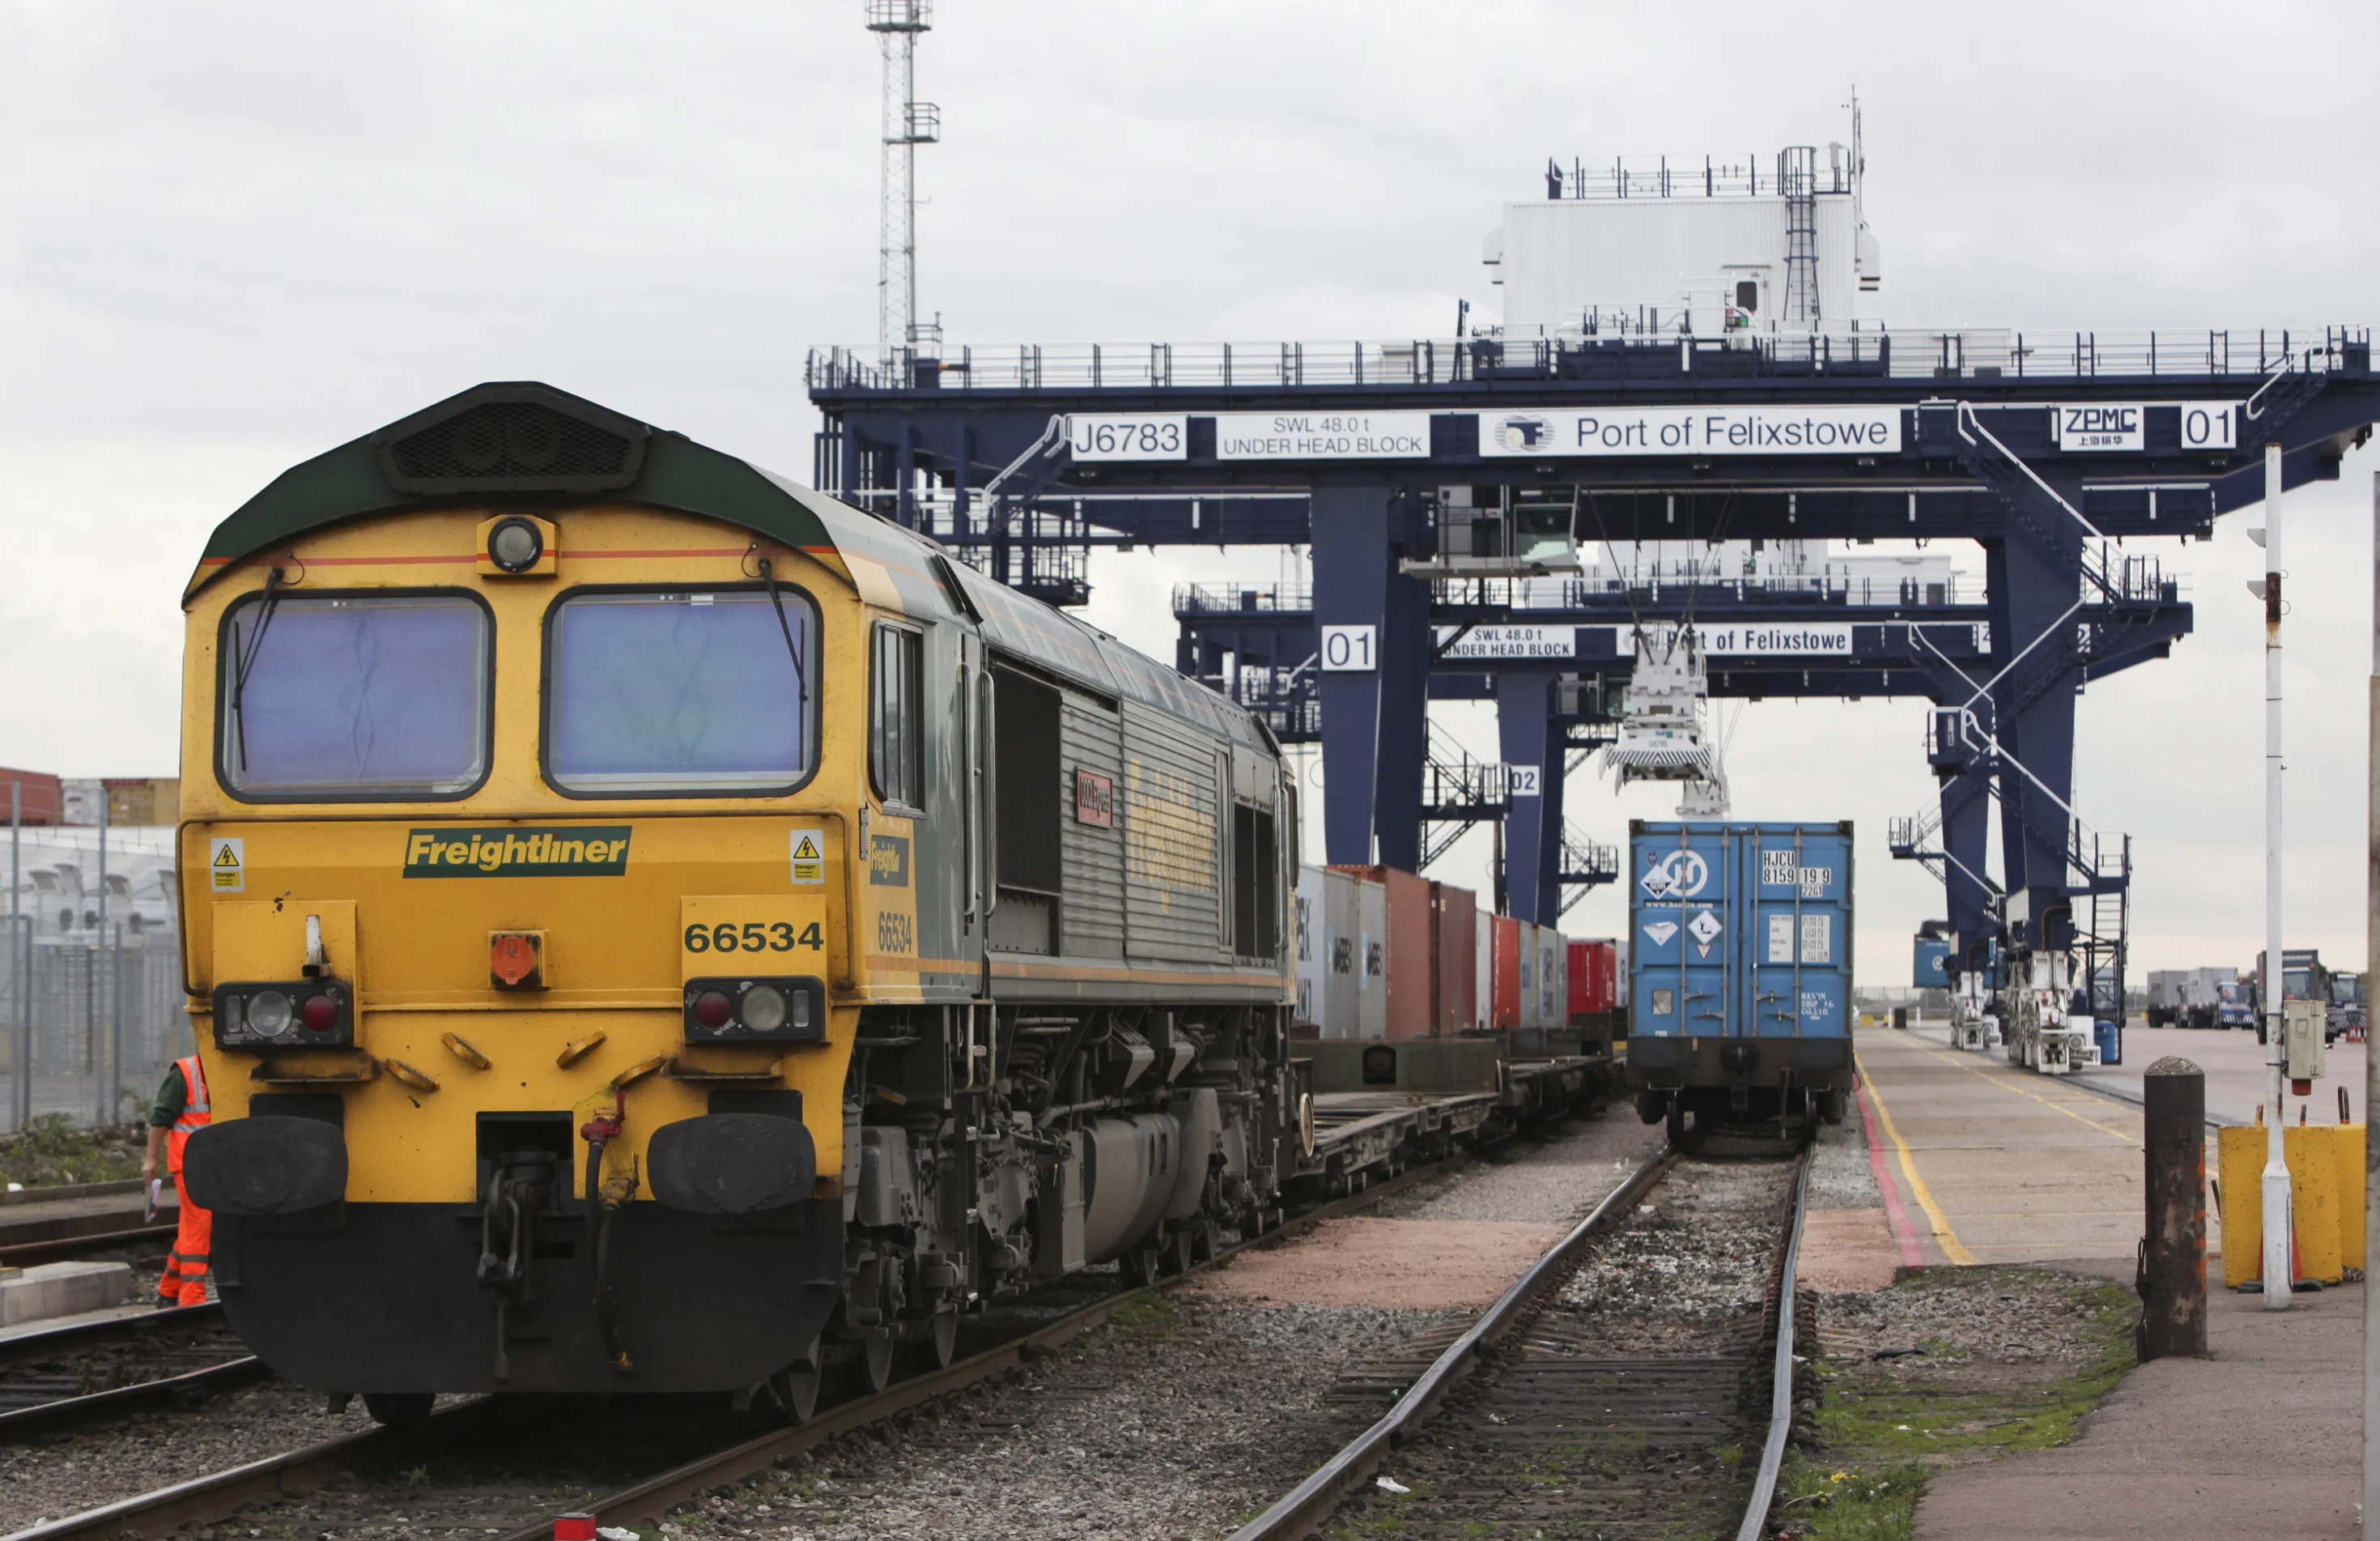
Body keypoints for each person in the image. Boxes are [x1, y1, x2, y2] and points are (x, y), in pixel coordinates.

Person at [141, 1051, 210, 1308]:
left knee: (195, 1228)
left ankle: (169, 1289)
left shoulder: (229, 1069)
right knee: (199, 1227)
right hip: (190, 1165)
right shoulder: (185, 1073)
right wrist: (151, 1160)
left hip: (216, 1166)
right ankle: (192, 1300)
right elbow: (161, 1119)